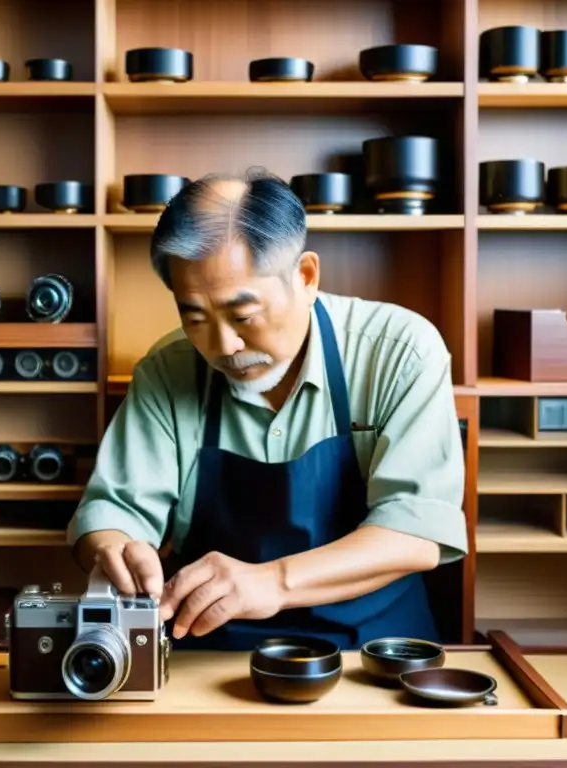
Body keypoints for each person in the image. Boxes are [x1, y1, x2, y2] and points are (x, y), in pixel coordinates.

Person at [66, 169, 467, 651]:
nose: (225, 345)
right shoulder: (168, 369)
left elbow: (416, 531)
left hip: (375, 646)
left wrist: (272, 581)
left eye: (244, 316)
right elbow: (116, 507)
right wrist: (116, 548)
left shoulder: (400, 350)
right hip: (215, 646)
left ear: (305, 276)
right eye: (194, 317)